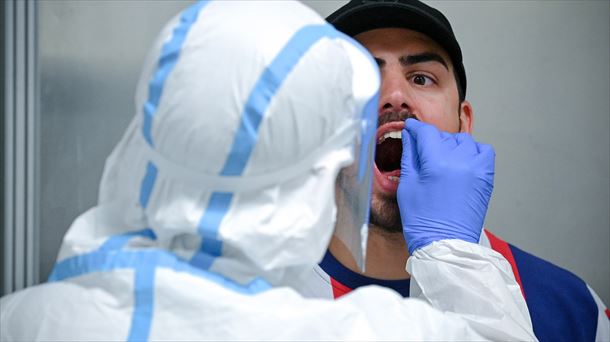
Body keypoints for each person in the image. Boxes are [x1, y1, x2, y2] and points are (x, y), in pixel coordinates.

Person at [0, 1, 539, 341]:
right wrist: (456, 256)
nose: (393, 98)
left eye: (421, 78)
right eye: (362, 88)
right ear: (327, 147)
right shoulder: (363, 330)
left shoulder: (19, 321)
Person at [295, 1, 610, 341]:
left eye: (421, 78)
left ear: (463, 124)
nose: (395, 95)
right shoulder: (253, 306)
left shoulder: (576, 312)